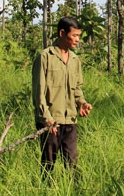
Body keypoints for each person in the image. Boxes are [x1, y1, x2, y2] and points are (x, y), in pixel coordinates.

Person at [32, 16, 92, 177]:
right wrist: (46, 118)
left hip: (70, 120)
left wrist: (82, 103)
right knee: (48, 163)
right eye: (74, 36)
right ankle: (45, 190)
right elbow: (38, 91)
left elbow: (76, 88)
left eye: (79, 36)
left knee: (72, 162)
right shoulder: (45, 57)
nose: (77, 40)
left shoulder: (75, 60)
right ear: (61, 33)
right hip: (51, 121)